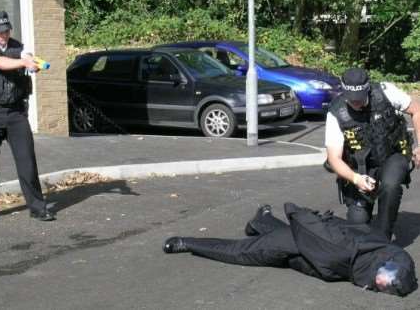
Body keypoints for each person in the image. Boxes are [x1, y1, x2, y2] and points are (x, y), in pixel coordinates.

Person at [163, 203, 418, 297]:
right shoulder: (337, 245)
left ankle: (260, 220)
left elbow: (402, 264)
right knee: (243, 252)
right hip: (304, 243)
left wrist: (395, 277)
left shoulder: (389, 256)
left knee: (278, 243)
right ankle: (187, 242)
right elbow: (311, 225)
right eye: (385, 281)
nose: (382, 283)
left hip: (316, 260)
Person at [0, 10, 55, 222]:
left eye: (6, 30)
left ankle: (38, 208)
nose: (4, 35)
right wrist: (23, 63)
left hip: (16, 113)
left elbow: (28, 58)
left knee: (27, 160)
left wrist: (31, 63)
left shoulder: (20, 47)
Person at [325, 68, 420, 239]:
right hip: (360, 167)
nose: (356, 103)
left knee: (390, 186)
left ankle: (383, 240)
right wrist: (356, 179)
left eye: (360, 98)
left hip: (393, 155)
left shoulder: (385, 92)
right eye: (351, 99)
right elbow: (334, 158)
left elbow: (417, 110)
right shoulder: (335, 112)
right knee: (357, 224)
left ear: (367, 88)